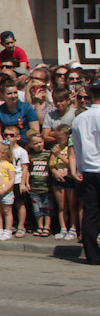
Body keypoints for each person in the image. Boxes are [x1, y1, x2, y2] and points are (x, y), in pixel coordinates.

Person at [72, 80, 100, 264]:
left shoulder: (80, 118)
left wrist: (80, 168)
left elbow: (78, 147)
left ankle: (92, 255)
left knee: (90, 212)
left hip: (89, 169)